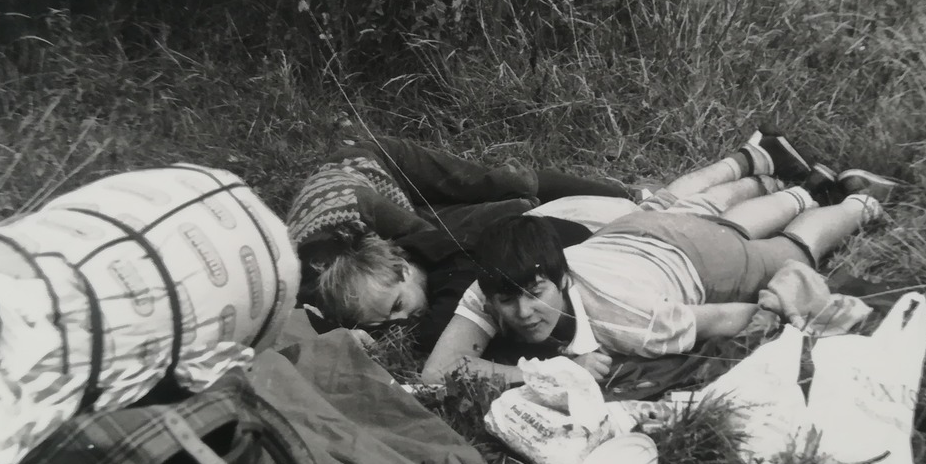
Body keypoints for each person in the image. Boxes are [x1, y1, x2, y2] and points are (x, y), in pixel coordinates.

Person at [308, 130, 834, 353]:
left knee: (677, 208)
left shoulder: (451, 270)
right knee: (694, 215)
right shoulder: (435, 267)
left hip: (575, 221)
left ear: (400, 266)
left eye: (398, 309)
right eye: (387, 324)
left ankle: (767, 172)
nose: (403, 323)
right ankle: (775, 178)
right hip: (578, 231)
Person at [420, 167, 897, 389]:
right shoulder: (497, 280)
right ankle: (804, 187)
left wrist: (777, 314)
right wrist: (541, 374)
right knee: (731, 224)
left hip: (689, 258)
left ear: (562, 276)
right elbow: (439, 372)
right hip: (625, 235)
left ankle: (861, 199)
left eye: (535, 293)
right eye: (507, 300)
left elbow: (725, 318)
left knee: (789, 251)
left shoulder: (631, 322)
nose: (522, 313)